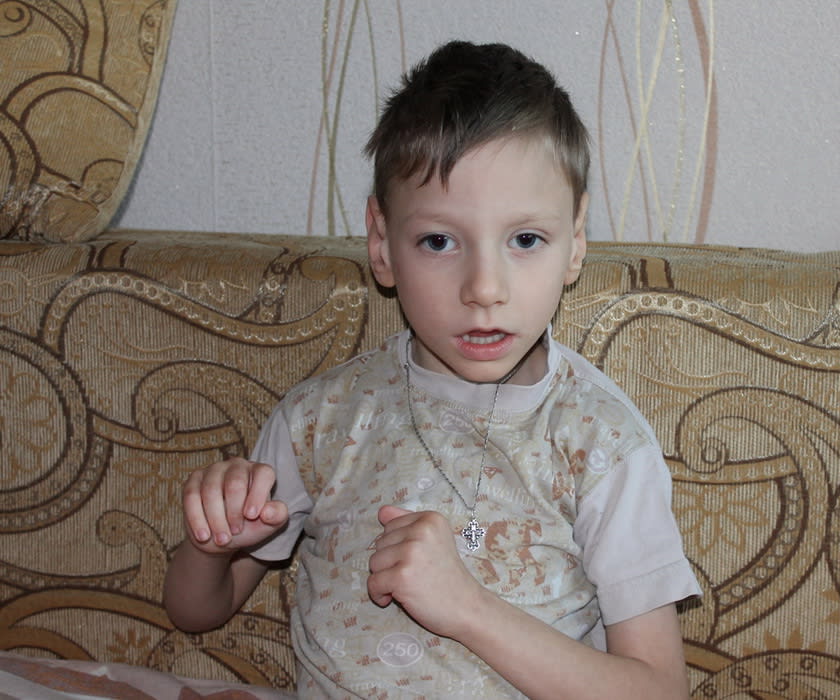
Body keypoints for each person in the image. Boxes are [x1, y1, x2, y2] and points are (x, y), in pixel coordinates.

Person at [164, 40, 700, 698]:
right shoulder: (318, 419)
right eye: (438, 241)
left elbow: (658, 690)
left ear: (575, 241)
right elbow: (196, 612)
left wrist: (467, 608)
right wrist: (212, 545)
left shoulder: (601, 441)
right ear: (381, 244)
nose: (484, 288)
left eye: (525, 239)